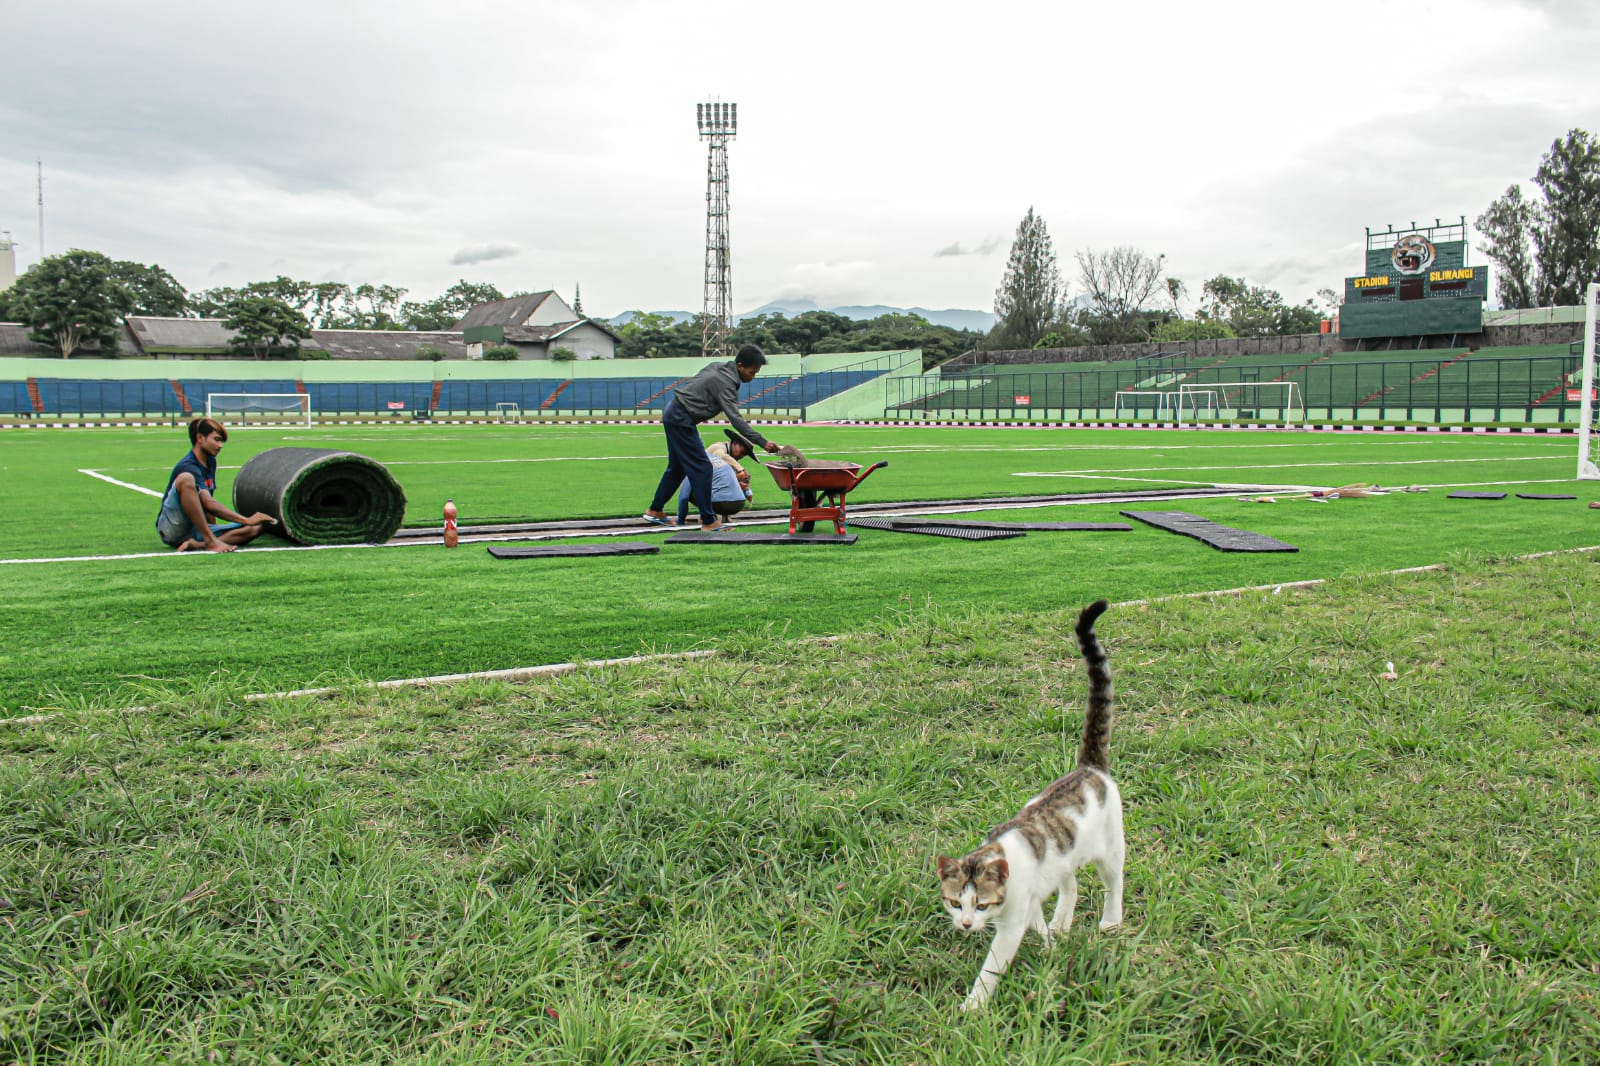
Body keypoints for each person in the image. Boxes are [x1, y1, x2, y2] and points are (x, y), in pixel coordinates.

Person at [643, 344, 783, 532]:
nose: (753, 376)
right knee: (702, 468)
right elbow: (735, 418)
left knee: (677, 468)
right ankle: (709, 521)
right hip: (681, 417)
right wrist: (762, 442)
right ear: (740, 365)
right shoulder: (725, 382)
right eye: (751, 372)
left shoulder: (719, 367)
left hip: (676, 413)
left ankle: (655, 510)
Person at [155, 416, 276, 553]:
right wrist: (246, 520)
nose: (220, 446)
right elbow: (208, 503)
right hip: (173, 528)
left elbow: (208, 500)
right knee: (186, 479)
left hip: (196, 529)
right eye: (216, 440)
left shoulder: (210, 461)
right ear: (200, 438)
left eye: (221, 441)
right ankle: (210, 541)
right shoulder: (188, 465)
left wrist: (213, 530)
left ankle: (198, 544)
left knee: (256, 528)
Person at [675, 434, 758, 525]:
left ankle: (710, 515)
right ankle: (710, 515)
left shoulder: (694, 465)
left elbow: (684, 497)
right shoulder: (718, 447)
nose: (742, 456)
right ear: (735, 443)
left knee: (694, 489)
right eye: (742, 452)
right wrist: (740, 469)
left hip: (712, 490)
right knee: (724, 483)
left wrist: (680, 521)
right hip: (729, 498)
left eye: (744, 455)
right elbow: (720, 455)